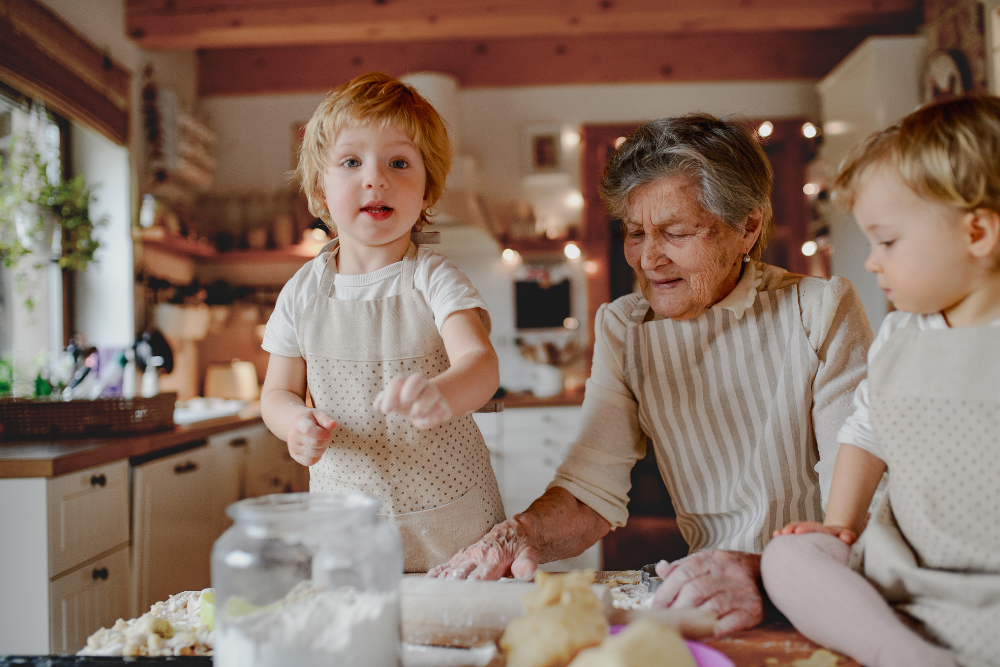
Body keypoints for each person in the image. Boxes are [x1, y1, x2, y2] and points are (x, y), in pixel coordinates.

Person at [429, 113, 874, 636]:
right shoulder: (625, 326)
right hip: (713, 595)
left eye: (677, 233)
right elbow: (590, 490)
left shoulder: (819, 311)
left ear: (748, 227)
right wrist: (515, 536)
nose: (649, 259)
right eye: (635, 233)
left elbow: (859, 511)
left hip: (831, 593)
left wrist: (763, 571)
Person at [762, 97, 1000, 667]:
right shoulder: (899, 336)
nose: (871, 262)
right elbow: (866, 432)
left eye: (888, 242)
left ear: (978, 233)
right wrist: (839, 525)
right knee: (788, 558)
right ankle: (906, 656)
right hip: (899, 574)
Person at [259, 72, 505, 572]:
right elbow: (276, 394)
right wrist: (294, 424)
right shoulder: (302, 291)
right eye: (351, 162)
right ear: (321, 191)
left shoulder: (436, 278)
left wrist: (445, 393)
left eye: (399, 162)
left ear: (426, 193)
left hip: (454, 526)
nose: (376, 179)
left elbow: (481, 364)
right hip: (347, 533)